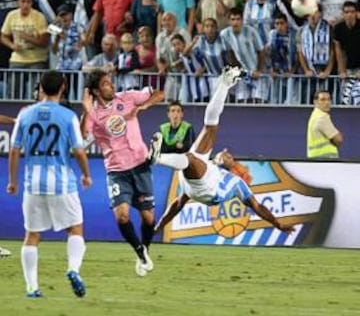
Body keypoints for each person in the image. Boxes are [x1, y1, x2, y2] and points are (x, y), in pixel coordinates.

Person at [150, 66, 295, 234]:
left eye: (228, 156)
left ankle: (157, 158)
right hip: (195, 181)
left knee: (190, 158)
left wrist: (278, 224)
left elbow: (257, 207)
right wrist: (159, 225)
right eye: (224, 154)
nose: (226, 155)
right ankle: (225, 84)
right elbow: (178, 204)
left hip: (210, 192)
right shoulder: (213, 166)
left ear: (232, 164)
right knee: (211, 125)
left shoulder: (239, 184)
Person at [7, 70, 92, 298]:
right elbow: (79, 150)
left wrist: (13, 181)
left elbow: (14, 151)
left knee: (32, 235)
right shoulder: (67, 116)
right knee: (75, 229)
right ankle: (73, 269)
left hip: (32, 184)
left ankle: (32, 288)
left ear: (40, 88)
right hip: (62, 183)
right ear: (64, 87)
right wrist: (86, 174)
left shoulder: (25, 114)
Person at [81, 70, 164, 277]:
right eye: (106, 84)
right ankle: (139, 252)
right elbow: (82, 135)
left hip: (140, 164)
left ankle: (144, 250)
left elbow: (159, 93)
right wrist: (86, 109)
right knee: (122, 215)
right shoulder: (93, 113)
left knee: (148, 218)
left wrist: (143, 106)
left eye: (110, 82)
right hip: (117, 170)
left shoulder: (127, 98)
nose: (112, 86)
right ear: (96, 91)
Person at [307, 90, 343, 158]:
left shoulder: (314, 116)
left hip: (315, 159)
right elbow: (338, 139)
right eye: (323, 100)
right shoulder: (322, 117)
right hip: (326, 160)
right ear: (315, 102)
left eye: (329, 99)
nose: (327, 103)